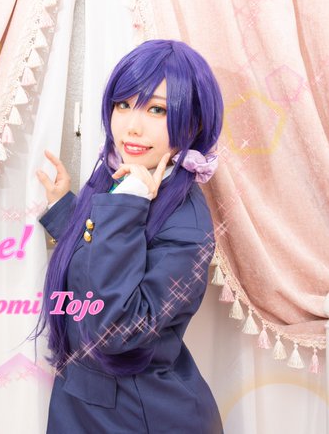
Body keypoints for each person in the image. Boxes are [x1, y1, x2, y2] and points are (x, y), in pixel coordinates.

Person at [32, 39, 224, 433]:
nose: (132, 126)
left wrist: (127, 205)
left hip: (141, 415)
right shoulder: (121, 179)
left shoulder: (186, 224)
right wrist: (67, 211)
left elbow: (118, 329)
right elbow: (96, 268)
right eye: (123, 104)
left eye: (157, 109)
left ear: (194, 123)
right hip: (82, 401)